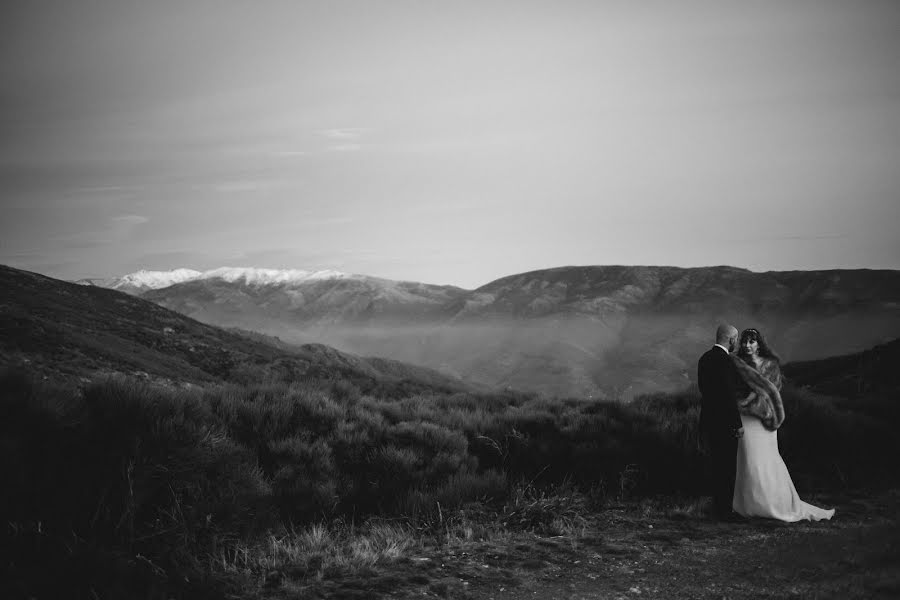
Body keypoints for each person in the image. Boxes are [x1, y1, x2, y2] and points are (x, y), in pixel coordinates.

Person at [731, 328, 835, 522]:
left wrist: (753, 402)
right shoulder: (738, 364)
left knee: (767, 459)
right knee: (747, 459)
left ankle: (774, 503)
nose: (747, 345)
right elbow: (734, 389)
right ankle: (749, 505)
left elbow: (772, 392)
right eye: (744, 341)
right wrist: (743, 403)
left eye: (751, 341)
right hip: (745, 416)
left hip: (765, 419)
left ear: (759, 343)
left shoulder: (771, 365)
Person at [697, 323, 749, 520]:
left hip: (708, 419)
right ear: (732, 339)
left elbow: (704, 390)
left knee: (716, 465)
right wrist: (737, 423)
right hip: (725, 422)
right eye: (736, 339)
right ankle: (725, 511)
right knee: (728, 467)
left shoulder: (704, 359)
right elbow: (728, 395)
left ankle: (717, 507)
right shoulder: (726, 362)